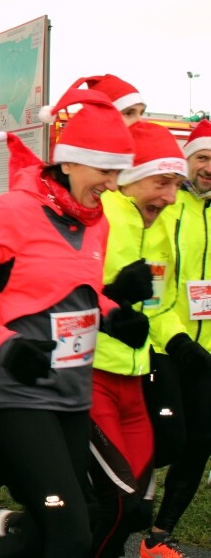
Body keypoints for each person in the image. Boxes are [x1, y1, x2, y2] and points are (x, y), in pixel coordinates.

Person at [0, 86, 143, 558]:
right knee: (68, 531)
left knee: (67, 528)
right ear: (67, 162)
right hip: (15, 389)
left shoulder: (97, 222)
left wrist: (114, 318)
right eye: (104, 170)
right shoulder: (12, 212)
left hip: (70, 392)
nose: (112, 183)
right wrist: (4, 345)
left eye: (118, 172)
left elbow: (75, 293)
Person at [88, 122, 189, 558]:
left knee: (132, 510)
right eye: (161, 182)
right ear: (129, 178)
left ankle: (30, 525)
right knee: (119, 501)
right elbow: (58, 287)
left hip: (137, 375)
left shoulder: (162, 224)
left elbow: (161, 306)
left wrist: (180, 342)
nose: (169, 196)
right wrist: (109, 305)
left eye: (175, 185)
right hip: (89, 376)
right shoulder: (101, 215)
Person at [145, 119, 211, 557]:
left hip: (206, 352)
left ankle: (158, 536)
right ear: (188, 158)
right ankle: (105, 505)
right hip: (164, 345)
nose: (209, 168)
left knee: (200, 443)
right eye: (204, 157)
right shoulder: (166, 205)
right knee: (166, 440)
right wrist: (173, 338)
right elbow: (149, 286)